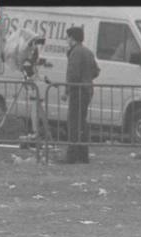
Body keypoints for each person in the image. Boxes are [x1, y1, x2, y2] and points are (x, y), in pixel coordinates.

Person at [61, 26, 100, 164]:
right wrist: (87, 76)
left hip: (78, 91)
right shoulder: (88, 52)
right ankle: (83, 155)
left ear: (72, 38)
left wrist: (66, 91)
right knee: (82, 123)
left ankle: (72, 156)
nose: (66, 40)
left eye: (67, 37)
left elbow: (73, 75)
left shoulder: (75, 53)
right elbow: (96, 71)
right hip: (87, 90)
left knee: (73, 123)